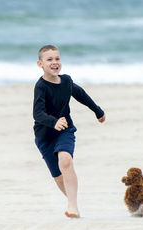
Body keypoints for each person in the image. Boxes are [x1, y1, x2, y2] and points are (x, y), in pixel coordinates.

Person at [32, 45, 106, 218]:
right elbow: (38, 113)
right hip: (44, 137)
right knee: (58, 177)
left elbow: (80, 93)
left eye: (57, 58)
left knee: (65, 160)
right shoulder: (41, 86)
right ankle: (74, 204)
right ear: (40, 64)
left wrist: (97, 110)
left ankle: (72, 206)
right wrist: (53, 121)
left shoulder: (66, 81)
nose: (54, 62)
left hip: (65, 130)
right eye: (49, 59)